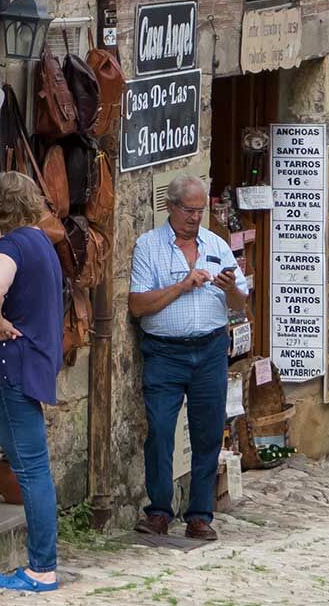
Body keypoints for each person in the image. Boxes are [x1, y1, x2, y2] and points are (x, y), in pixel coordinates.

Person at [128, 175, 250, 541]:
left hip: (210, 349)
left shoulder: (216, 245)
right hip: (165, 352)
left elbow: (242, 303)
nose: (196, 218)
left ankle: (200, 516)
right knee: (161, 430)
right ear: (171, 207)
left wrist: (231, 291)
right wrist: (182, 286)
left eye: (200, 211)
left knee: (208, 432)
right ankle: (159, 511)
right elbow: (138, 305)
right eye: (189, 210)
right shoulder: (148, 246)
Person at [0, 171, 64, 592]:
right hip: (30, 364)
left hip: (10, 369)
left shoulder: (9, 246)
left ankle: (42, 569)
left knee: (31, 470)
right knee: (35, 468)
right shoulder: (41, 240)